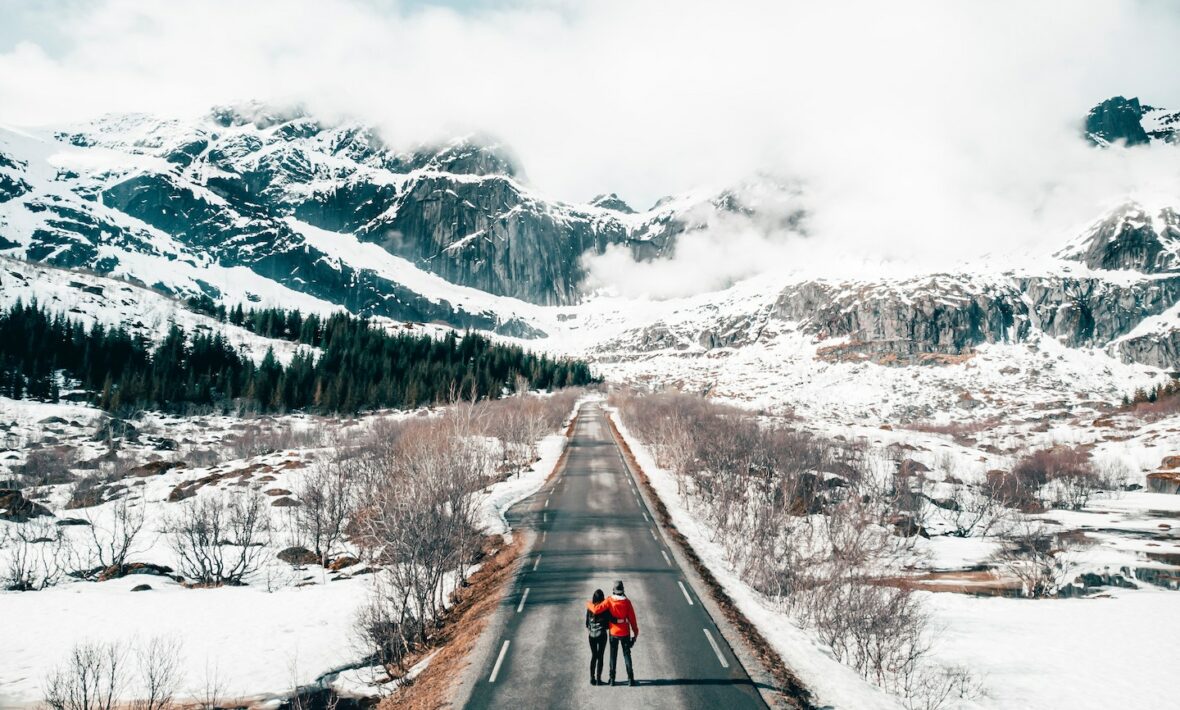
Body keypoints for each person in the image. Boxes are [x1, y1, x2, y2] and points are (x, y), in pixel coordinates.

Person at [586, 579, 639, 686]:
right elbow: (633, 620)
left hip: (613, 632)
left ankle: (612, 680)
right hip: (625, 632)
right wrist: (635, 634)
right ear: (623, 590)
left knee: (613, 656)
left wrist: (588, 604)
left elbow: (596, 609)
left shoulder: (610, 600)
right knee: (627, 655)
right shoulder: (627, 602)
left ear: (614, 590)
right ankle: (630, 679)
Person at [586, 589, 610, 685]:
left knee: (594, 656)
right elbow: (607, 625)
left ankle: (592, 678)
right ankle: (599, 679)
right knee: (600, 656)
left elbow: (587, 623)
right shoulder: (605, 609)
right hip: (602, 635)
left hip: (591, 636)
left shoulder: (590, 608)